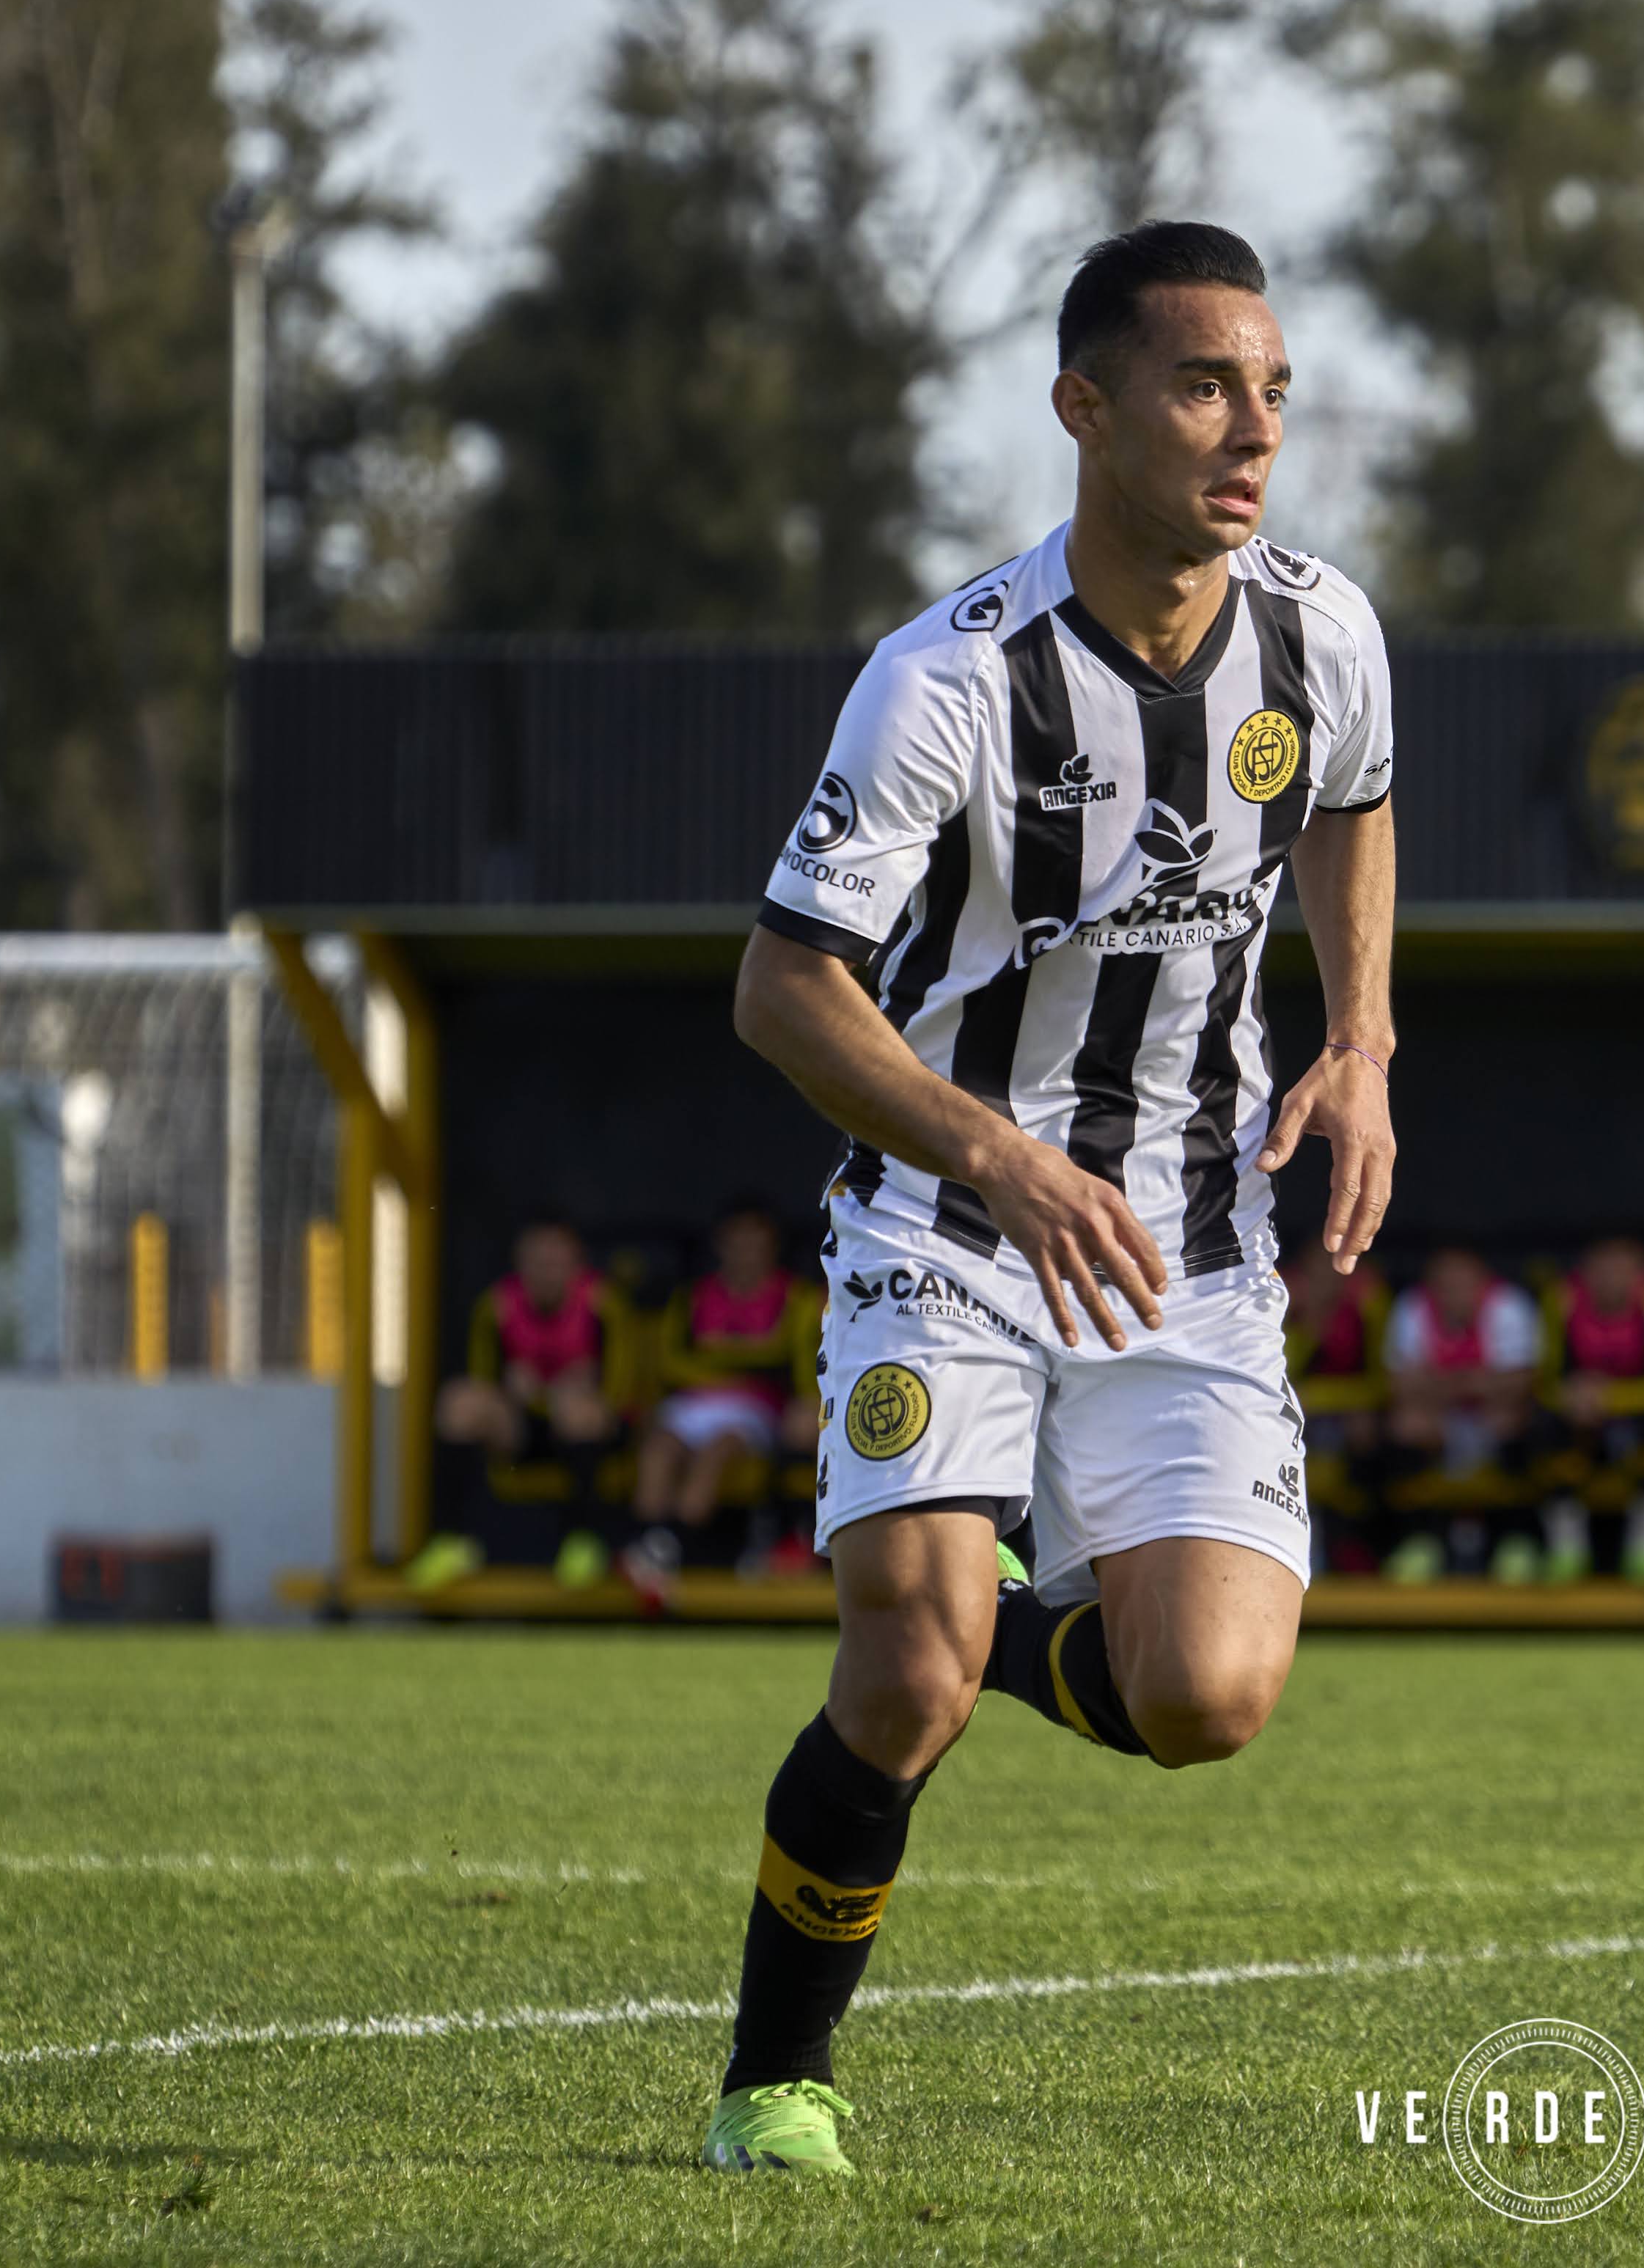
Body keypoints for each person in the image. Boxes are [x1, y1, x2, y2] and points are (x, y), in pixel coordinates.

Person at [708, 222, 1399, 2176]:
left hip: (1191, 1242)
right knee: (902, 1679)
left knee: (1206, 1698)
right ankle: (774, 2082)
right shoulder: (946, 680)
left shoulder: (1323, 635)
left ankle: (989, 1614)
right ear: (1084, 408)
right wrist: (1001, 1157)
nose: (1253, 431)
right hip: (948, 1227)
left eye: (1273, 392)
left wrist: (1363, 1039)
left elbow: (1354, 805)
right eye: (1205, 388)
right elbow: (783, 988)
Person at [622, 1199, 825, 1607]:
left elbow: (790, 1362)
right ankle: (654, 1545)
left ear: (771, 1248)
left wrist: (722, 1356)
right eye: (737, 1243)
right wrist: (740, 1361)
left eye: (755, 1243)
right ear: (721, 1245)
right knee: (659, 1447)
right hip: (694, 1404)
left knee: (717, 1449)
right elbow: (671, 1363)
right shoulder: (693, 1298)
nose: (745, 1253)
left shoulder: (796, 1299)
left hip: (755, 1408)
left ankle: (667, 1550)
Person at [423, 1211, 625, 1590]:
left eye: (557, 1259)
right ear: (520, 1261)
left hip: (587, 1436)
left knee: (578, 1410)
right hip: (520, 1431)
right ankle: (452, 1541)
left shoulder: (602, 1304)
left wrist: (577, 1387)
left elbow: (623, 1393)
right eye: (538, 1259)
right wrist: (512, 1388)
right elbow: (480, 1381)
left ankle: (583, 1543)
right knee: (458, 1403)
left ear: (576, 1261)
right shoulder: (496, 1306)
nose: (547, 1270)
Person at [1533, 1236, 1644, 1585]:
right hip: (1581, 1414)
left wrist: (1607, 1399)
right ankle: (1566, 1550)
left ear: (1639, 1275)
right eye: (1602, 1271)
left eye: (1623, 1271)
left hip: (1642, 1412)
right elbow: (1544, 1381)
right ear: (1586, 1273)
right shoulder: (1562, 1300)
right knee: (1550, 1429)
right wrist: (1571, 1398)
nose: (1612, 1280)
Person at [1381, 1246, 1544, 1582]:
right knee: (1407, 1424)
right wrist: (1476, 1383)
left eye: (1463, 1284)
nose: (1454, 1293)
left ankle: (1515, 1540)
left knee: (1518, 1422)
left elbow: (1521, 1382)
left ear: (1482, 1282)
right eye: (1445, 1285)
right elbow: (1400, 1384)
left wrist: (1440, 1383)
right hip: (1440, 1420)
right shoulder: (1413, 1308)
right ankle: (1421, 1538)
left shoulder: (1507, 1305)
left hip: (1491, 1419)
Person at [1280, 1236, 1390, 1567]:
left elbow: (1383, 1379)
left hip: (1352, 1412)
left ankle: (1358, 1544)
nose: (1325, 1281)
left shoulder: (1367, 1306)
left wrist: (1336, 1400)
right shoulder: (1286, 1306)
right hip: (1301, 1413)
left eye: (1335, 1271)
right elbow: (1281, 1375)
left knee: (1366, 1431)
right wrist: (1309, 1328)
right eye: (1316, 1272)